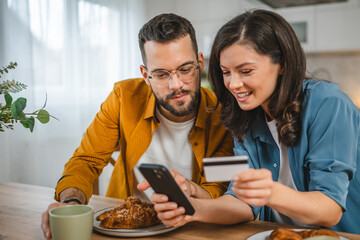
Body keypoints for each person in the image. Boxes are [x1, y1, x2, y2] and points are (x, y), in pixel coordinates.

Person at [148, 9, 360, 234]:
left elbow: (330, 209)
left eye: (246, 71)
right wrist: (191, 209)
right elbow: (241, 203)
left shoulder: (327, 103)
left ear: (283, 64)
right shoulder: (246, 115)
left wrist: (271, 193)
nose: (233, 84)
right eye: (225, 72)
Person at [41, 13, 234, 239]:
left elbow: (220, 188)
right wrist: (70, 204)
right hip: (121, 227)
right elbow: (86, 161)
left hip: (192, 230)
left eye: (185, 69)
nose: (176, 85)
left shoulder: (225, 116)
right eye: (161, 74)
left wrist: (191, 191)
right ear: (145, 75)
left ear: (200, 63)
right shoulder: (123, 98)